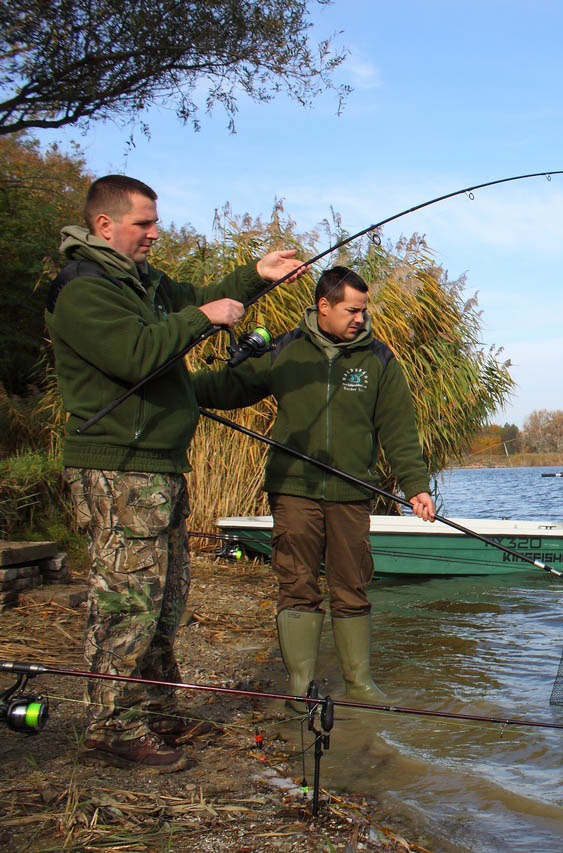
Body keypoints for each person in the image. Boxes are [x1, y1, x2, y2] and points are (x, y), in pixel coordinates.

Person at [45, 175, 307, 772]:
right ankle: (112, 730)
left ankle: (157, 712)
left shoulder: (145, 283)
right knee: (125, 604)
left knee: (164, 601)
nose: (154, 234)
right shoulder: (82, 289)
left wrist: (254, 277)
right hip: (119, 467)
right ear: (105, 226)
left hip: (162, 464)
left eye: (154, 222)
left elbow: (200, 295)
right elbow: (136, 353)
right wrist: (202, 320)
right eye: (143, 224)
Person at [193, 266, 435, 710]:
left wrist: (416, 486)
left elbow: (398, 429)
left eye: (364, 310)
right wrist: (180, 390)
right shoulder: (286, 349)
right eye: (352, 310)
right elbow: (230, 387)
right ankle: (299, 688)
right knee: (298, 584)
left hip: (350, 493)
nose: (361, 318)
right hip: (293, 489)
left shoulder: (378, 359)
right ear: (324, 306)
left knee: (351, 585)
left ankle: (359, 684)